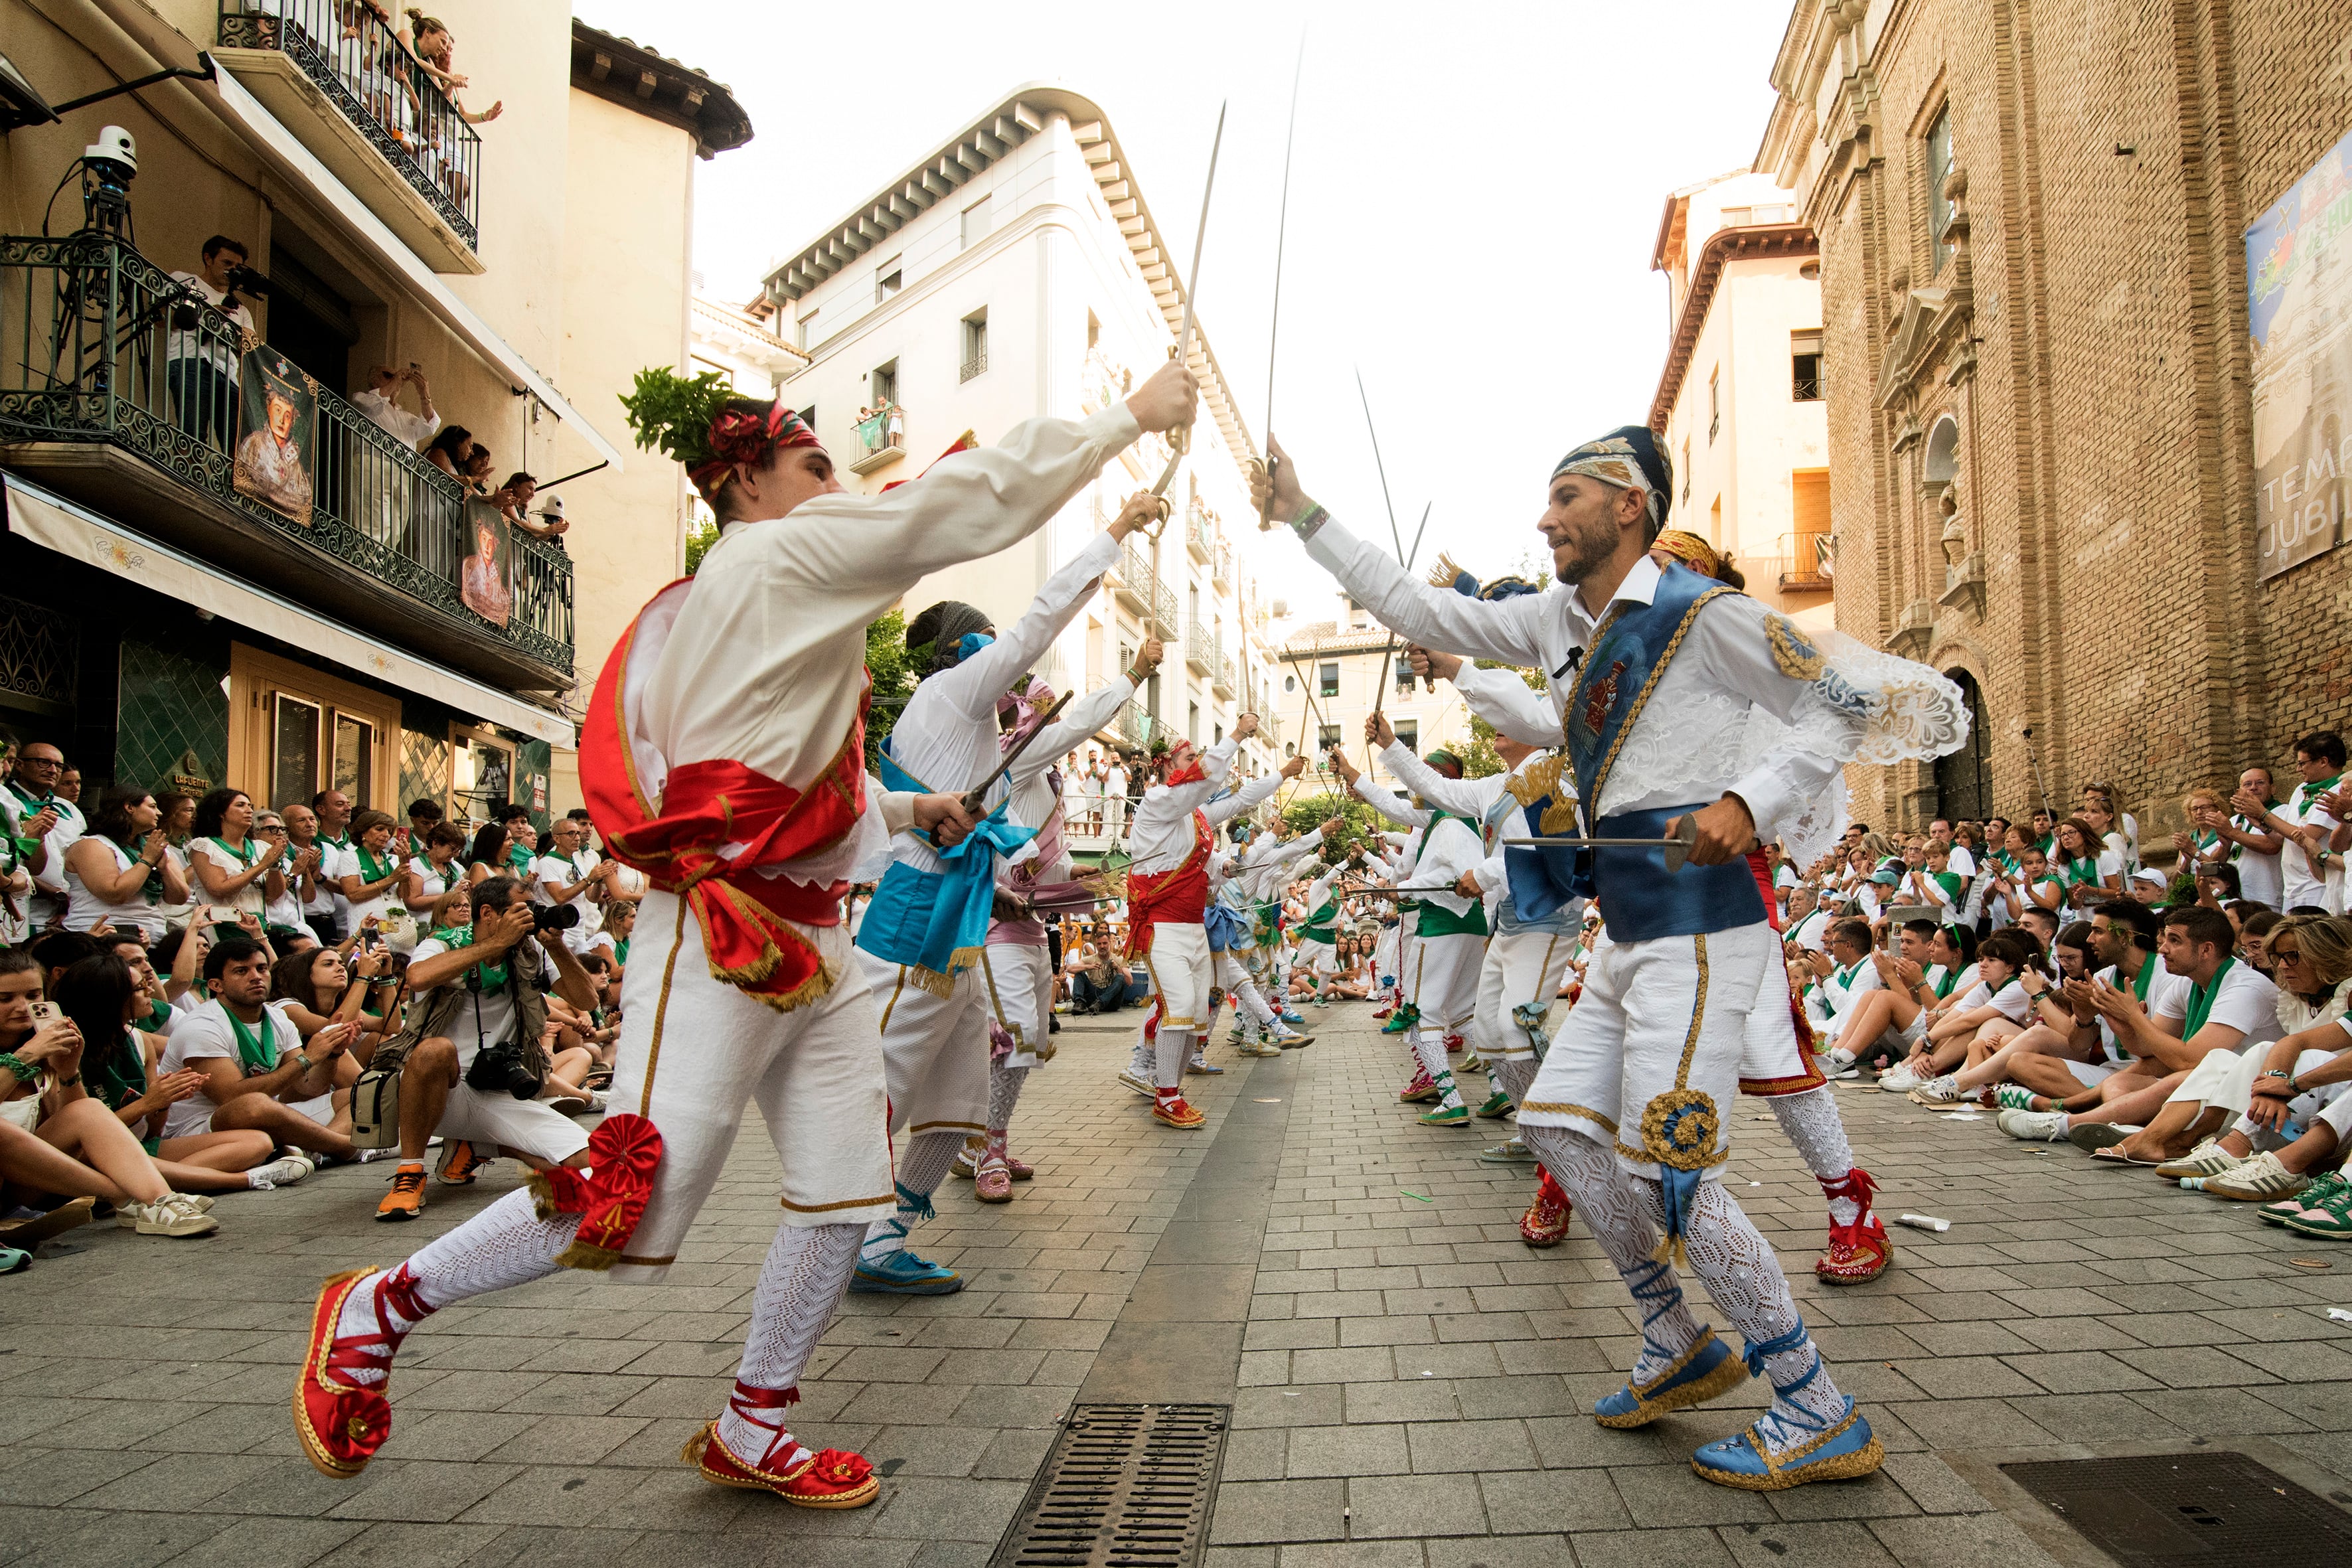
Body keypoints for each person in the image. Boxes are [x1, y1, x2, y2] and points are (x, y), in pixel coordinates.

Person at [293, 354, 1198, 1503]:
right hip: (723, 939)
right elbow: (945, 510)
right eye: (814, 464)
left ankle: (753, 1423)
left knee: (840, 1188)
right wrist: (1125, 419)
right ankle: (378, 1305)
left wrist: (909, 805)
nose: (837, 488)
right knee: (634, 1190)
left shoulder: (766, 604)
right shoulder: (769, 557)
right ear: (749, 483)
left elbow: (770, 781)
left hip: (814, 942)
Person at [1252, 421, 1964, 1490]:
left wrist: (1748, 800)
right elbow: (1413, 606)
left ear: (1629, 505)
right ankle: (1672, 1334)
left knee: (1671, 1164)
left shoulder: (1702, 615)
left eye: (1566, 496)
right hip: (1628, 933)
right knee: (1557, 1129)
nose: (1544, 518)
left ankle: (1815, 1403)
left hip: (1702, 928)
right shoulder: (1553, 620)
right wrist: (1303, 513)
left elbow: (1844, 703)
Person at [854, 489, 1166, 1292]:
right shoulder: (950, 695)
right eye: (993, 649)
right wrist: (1117, 533)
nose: (1014, 665)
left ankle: (888, 1233)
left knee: (958, 1091)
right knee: (878, 1093)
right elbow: (1040, 619)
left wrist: (1130, 680)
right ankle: (842, 1235)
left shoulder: (983, 727)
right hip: (914, 920)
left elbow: (1061, 732)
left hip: (958, 925)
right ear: (965, 652)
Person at [958, 650, 1158, 1203]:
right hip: (994, 927)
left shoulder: (1038, 777)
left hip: (1031, 929)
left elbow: (1050, 862)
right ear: (1025, 718)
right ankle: (987, 1151)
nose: (1052, 715)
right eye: (1043, 706)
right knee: (1014, 1039)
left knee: (1028, 1040)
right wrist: (1134, 674)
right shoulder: (1013, 759)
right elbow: (1085, 720)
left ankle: (978, 1144)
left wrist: (1086, 875)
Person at [361, 876, 600, 1221]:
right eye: (522, 909)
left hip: (498, 1088)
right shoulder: (442, 943)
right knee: (435, 1050)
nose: (531, 917)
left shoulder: (532, 952)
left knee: (586, 1163)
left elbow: (587, 999)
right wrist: (494, 945)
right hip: (434, 1092)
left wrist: (558, 947)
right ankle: (409, 1173)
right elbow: (417, 978)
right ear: (488, 913)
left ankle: (478, 1145)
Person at [157, 936, 360, 1164]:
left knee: (356, 1096)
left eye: (262, 968)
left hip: (268, 1115)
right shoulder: (201, 1026)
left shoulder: (278, 1019)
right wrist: (307, 1059)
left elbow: (308, 1087)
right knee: (255, 1104)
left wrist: (332, 1054)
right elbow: (232, 1097)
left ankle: (316, 1149)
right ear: (216, 985)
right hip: (200, 1128)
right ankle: (342, 1146)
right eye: (241, 971)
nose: (256, 977)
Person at [64, 789, 187, 939]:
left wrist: (164, 869)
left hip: (153, 936)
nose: (159, 813)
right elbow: (115, 894)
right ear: (129, 807)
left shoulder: (153, 846)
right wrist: (147, 860)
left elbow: (179, 898)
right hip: (102, 937)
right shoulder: (91, 845)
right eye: (153, 807)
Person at [167, 237, 254, 447]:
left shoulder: (241, 310)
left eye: (237, 267)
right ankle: (188, 473)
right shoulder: (186, 281)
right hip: (192, 362)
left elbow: (250, 350)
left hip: (229, 375)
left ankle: (230, 481)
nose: (232, 270)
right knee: (193, 434)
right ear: (208, 258)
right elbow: (164, 320)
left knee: (239, 447)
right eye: (227, 264)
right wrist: (206, 315)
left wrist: (243, 342)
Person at [189, 787, 284, 924]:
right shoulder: (204, 846)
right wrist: (264, 865)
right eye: (240, 805)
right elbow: (218, 889)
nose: (250, 811)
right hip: (219, 925)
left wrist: (275, 864)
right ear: (221, 813)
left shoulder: (261, 847)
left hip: (255, 924)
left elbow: (273, 895)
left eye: (250, 806)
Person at [352, 364, 437, 447]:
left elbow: (429, 426)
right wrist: (395, 381)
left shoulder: (407, 417)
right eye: (389, 376)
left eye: (397, 376)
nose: (397, 379)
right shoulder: (361, 398)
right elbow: (369, 404)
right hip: (371, 460)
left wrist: (424, 394)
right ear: (375, 382)